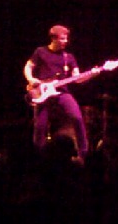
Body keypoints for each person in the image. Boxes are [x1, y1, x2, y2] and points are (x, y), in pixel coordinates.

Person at [23, 24, 95, 161]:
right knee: (40, 126)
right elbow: (28, 66)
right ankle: (38, 157)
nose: (65, 41)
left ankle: (83, 153)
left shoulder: (69, 57)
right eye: (62, 38)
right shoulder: (40, 51)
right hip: (42, 93)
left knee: (77, 118)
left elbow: (77, 78)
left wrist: (92, 74)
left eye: (66, 38)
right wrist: (31, 79)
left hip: (61, 92)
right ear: (53, 38)